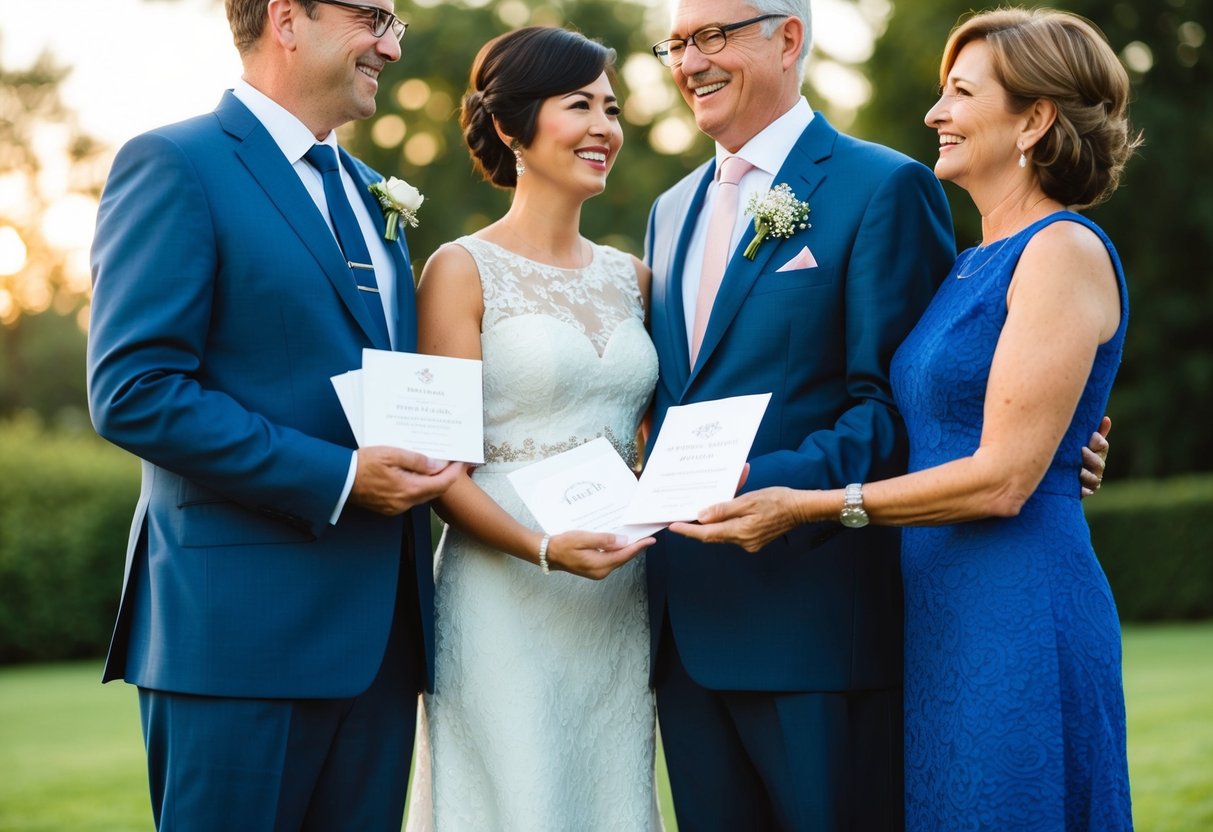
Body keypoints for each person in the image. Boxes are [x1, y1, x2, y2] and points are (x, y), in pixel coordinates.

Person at [673, 7, 1137, 829]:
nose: (934, 113)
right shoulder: (968, 266)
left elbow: (1002, 480)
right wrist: (1070, 447)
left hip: (1015, 605)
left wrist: (809, 504)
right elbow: (929, 412)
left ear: (1032, 120)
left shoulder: (1061, 248)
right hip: (937, 613)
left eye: (960, 93)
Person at [86, 1, 463, 828]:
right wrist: (337, 476)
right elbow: (134, 390)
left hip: (381, 642)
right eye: (374, 17)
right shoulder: (174, 163)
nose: (392, 46)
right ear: (288, 17)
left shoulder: (372, 194)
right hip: (236, 637)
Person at [643, 0, 957, 827]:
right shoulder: (667, 210)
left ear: (787, 38)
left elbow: (898, 410)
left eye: (712, 36)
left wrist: (768, 485)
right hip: (685, 627)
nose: (689, 62)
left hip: (816, 624)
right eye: (675, 43)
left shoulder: (883, 186)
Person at [403, 27, 661, 829]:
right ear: (513, 126)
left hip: (619, 592)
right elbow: (439, 469)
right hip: (503, 591)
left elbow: (657, 439)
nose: (604, 128)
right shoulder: (459, 268)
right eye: (578, 104)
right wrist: (543, 548)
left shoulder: (635, 278)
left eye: (611, 108)